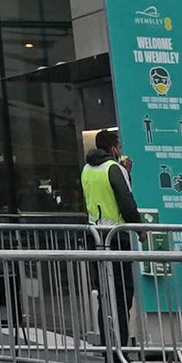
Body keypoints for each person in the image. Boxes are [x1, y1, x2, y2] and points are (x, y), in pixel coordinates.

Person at [77, 127, 143, 350]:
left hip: (95, 237)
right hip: (116, 238)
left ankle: (107, 349)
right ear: (114, 148)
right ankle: (120, 352)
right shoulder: (114, 169)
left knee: (105, 295)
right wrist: (140, 229)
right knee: (123, 296)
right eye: (119, 147)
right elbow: (126, 202)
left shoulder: (87, 169)